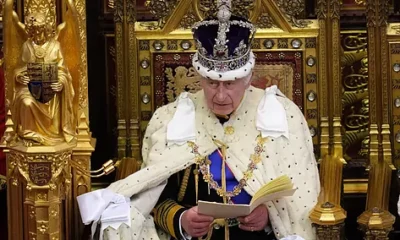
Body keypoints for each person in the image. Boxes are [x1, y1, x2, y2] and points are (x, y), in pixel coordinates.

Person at [77, 1, 320, 239]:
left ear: (247, 78)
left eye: (230, 83)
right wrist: (181, 220)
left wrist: (269, 217)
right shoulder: (172, 118)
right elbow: (151, 198)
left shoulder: (282, 115)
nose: (221, 95)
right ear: (199, 77)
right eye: (212, 83)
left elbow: (298, 204)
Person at [12, 12, 75, 146]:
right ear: (31, 31)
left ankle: (54, 133)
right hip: (30, 89)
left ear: (47, 29)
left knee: (54, 98)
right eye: (35, 30)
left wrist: (61, 83)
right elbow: (19, 69)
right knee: (26, 102)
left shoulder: (55, 46)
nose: (38, 34)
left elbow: (63, 71)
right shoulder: (26, 46)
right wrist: (19, 77)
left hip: (50, 91)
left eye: (41, 30)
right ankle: (29, 135)